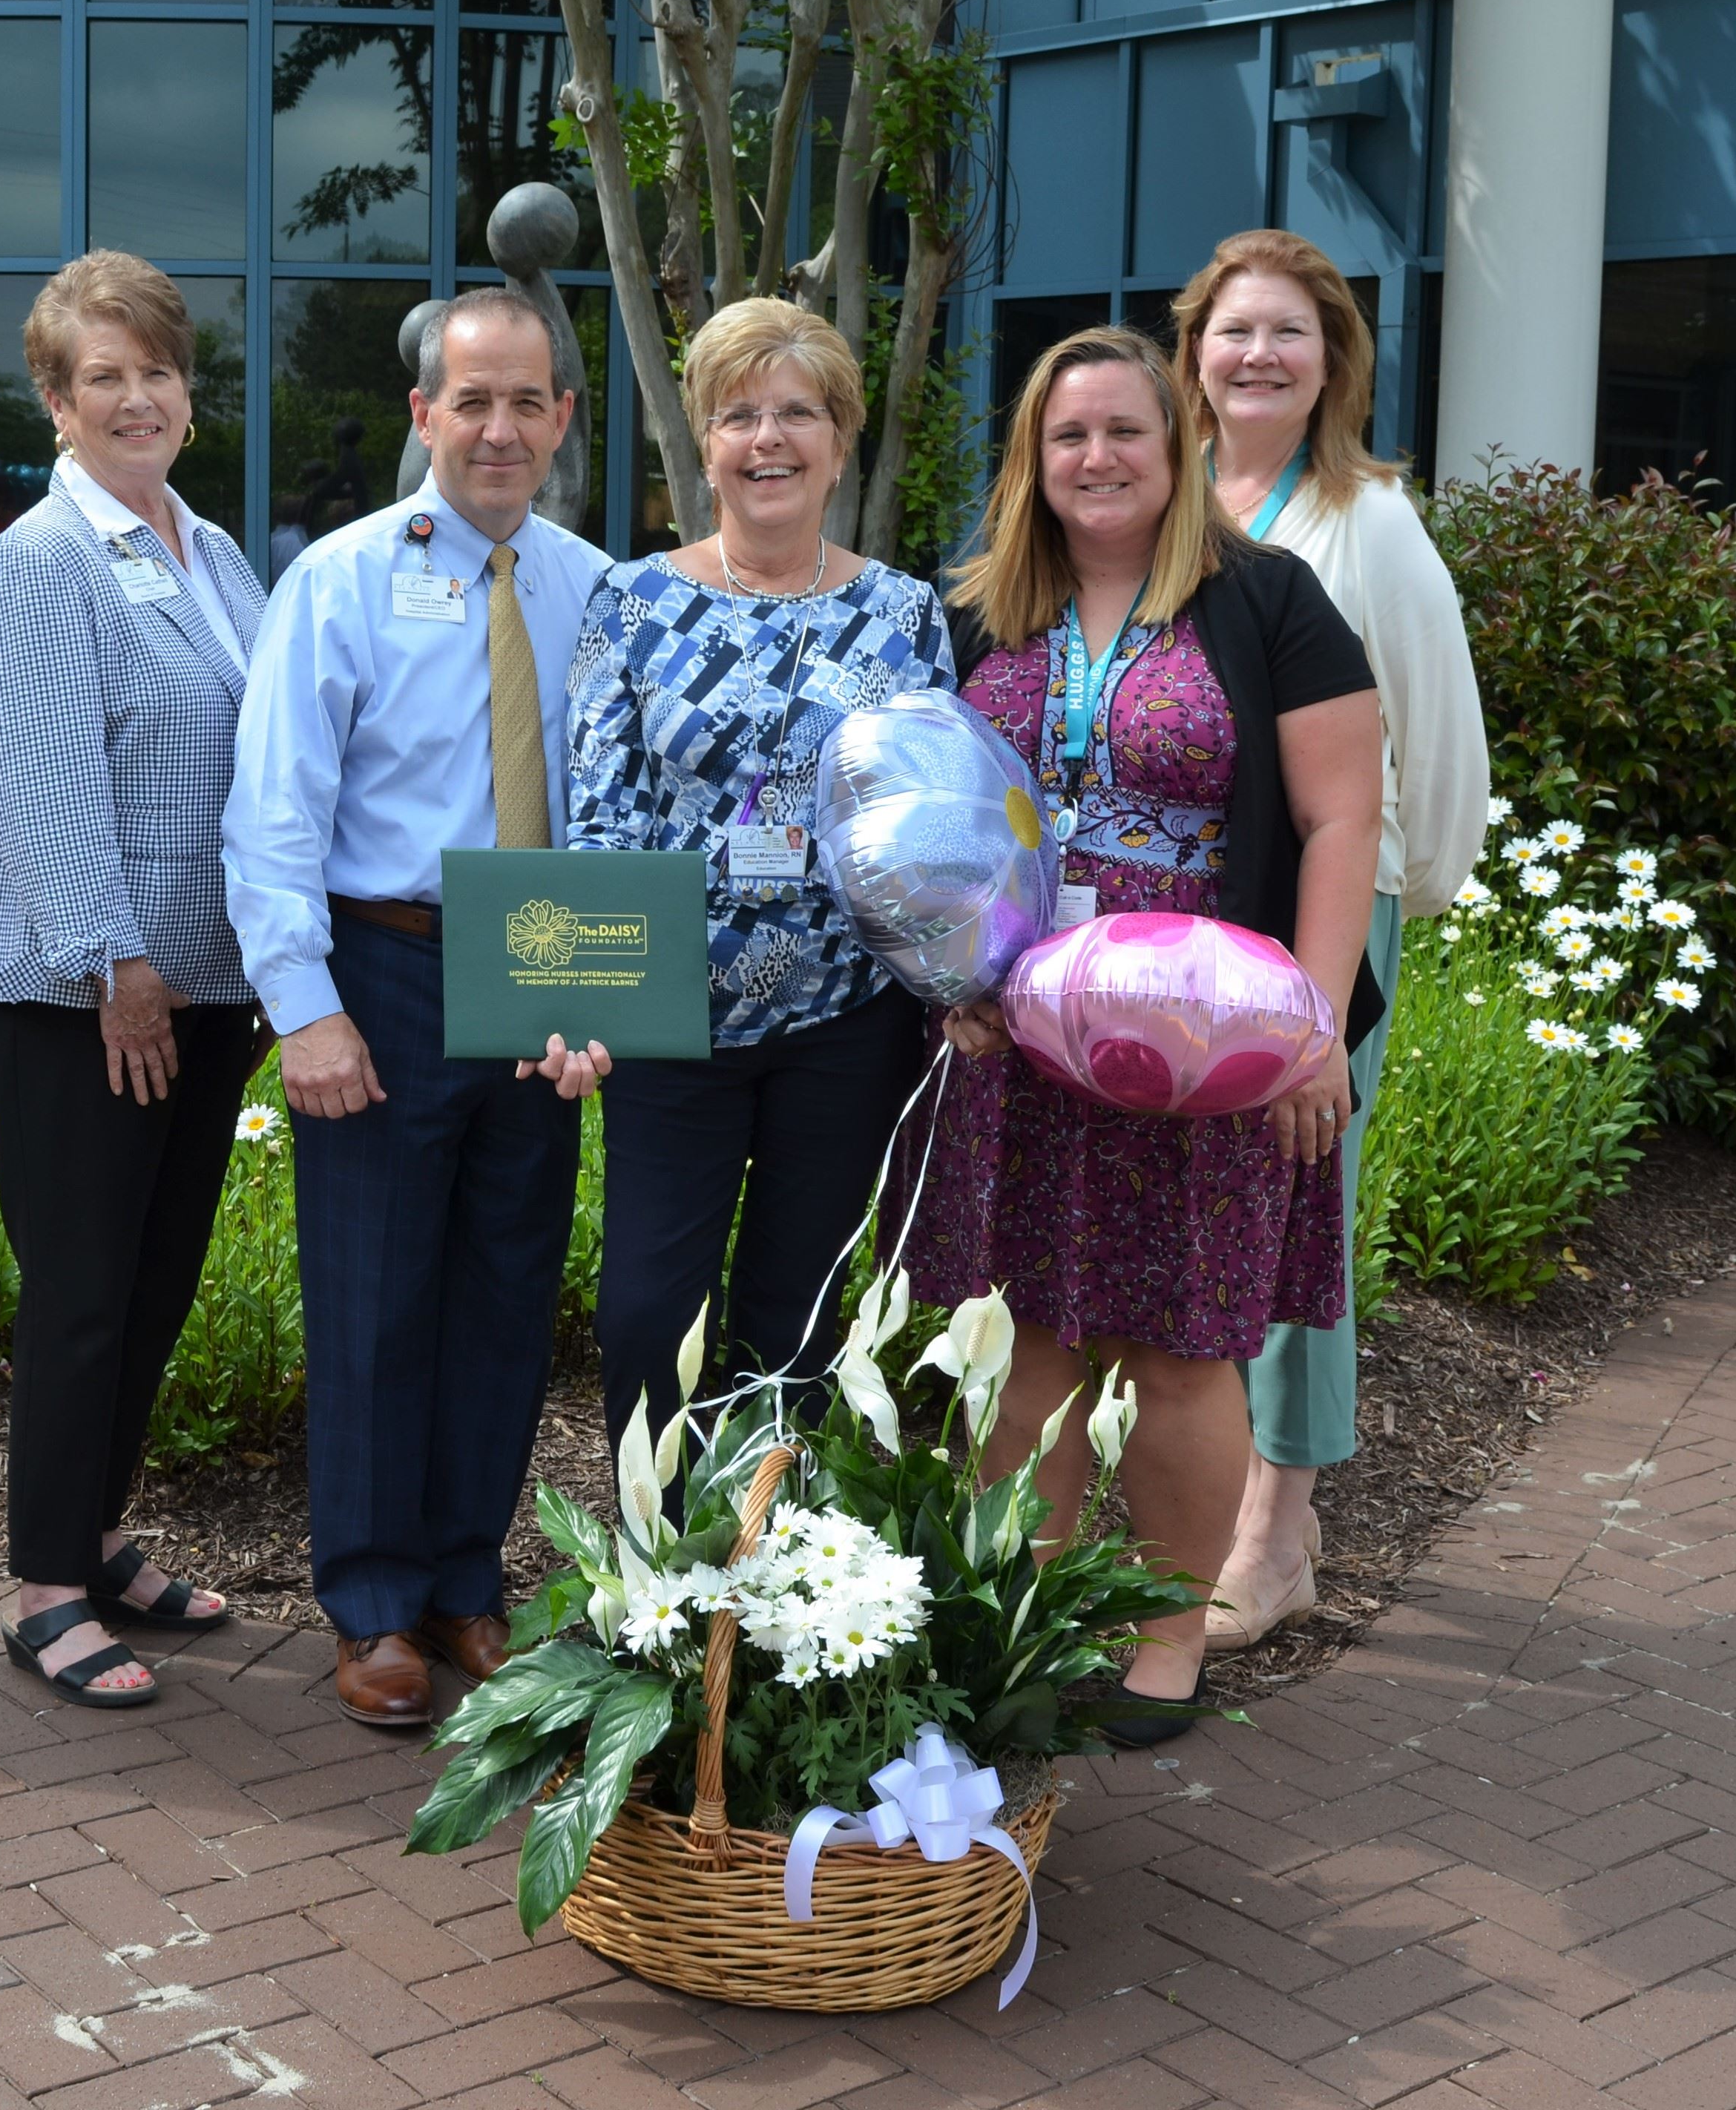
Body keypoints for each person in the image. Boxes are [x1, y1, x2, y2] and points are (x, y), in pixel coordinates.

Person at [903, 325, 1382, 1743]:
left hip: (1206, 1042)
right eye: (1068, 436)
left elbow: (1339, 819)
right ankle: (1025, 1629)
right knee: (1031, 1338)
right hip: (1022, 1045)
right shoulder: (980, 609)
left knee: (1183, 1349)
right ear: (1033, 461)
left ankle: (1169, 1640)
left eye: (1125, 430)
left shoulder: (1269, 600)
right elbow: (930, 820)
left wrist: (1310, 1021)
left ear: (1175, 446)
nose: (1097, 457)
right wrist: (953, 979)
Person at [223, 290, 611, 1726]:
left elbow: (617, 804)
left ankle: (465, 1584)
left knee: (507, 1293)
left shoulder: (596, 587)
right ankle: (374, 1602)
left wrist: (607, 991)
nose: (500, 427)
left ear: (563, 419)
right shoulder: (335, 580)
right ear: (424, 416)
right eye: (473, 402)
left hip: (546, 962)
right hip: (380, 968)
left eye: (528, 402)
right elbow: (273, 814)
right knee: (377, 1296)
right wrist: (305, 1011)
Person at [0, 253, 269, 1711]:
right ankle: (43, 1588)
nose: (135, 397)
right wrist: (118, 966)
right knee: (83, 1289)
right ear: (55, 404)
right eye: (102, 377)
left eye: (156, 371)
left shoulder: (216, 555)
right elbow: (42, 782)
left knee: (154, 1285)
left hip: (203, 990)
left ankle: (97, 1538)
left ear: (188, 396)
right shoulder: (38, 560)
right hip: (77, 995)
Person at [1174, 230, 1490, 1654]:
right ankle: (1194, 1487)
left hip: (1321, 906)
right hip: (1181, 911)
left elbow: (1440, 729)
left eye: (1289, 334)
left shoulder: (1370, 520)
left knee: (1301, 1200)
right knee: (1191, 1203)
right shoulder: (1166, 499)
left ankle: (1279, 1525)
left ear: (1332, 362)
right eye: (1235, 331)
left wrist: (1395, 909)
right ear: (1195, 352)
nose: (1259, 355)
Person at [568, 298, 953, 1457]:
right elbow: (602, 815)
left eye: (798, 412)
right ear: (704, 440)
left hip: (846, 1021)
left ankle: (766, 1576)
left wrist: (952, 986)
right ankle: (656, 1575)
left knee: (798, 1321)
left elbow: (933, 819)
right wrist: (586, 1001)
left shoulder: (905, 614)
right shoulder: (631, 603)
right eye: (739, 414)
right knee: (646, 1310)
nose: (768, 439)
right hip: (669, 1024)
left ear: (840, 439)